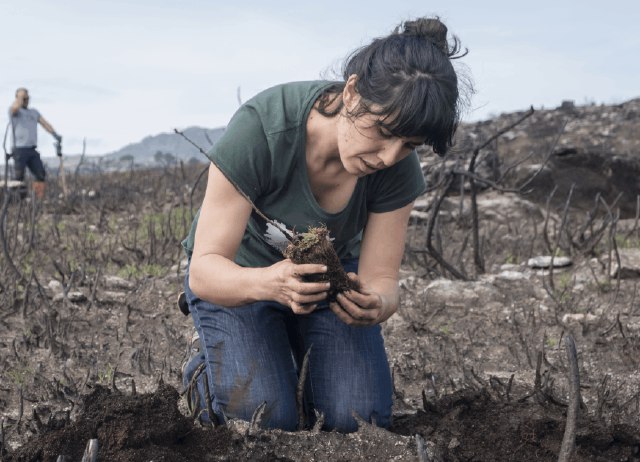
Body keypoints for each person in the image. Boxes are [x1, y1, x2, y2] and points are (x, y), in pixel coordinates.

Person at [180, 17, 468, 433]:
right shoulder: (264, 128)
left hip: (328, 282)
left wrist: (378, 304)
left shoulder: (396, 169)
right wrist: (270, 284)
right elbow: (205, 270)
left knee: (359, 420)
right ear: (351, 93)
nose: (389, 156)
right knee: (264, 418)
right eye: (383, 131)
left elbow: (382, 278)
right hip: (239, 277)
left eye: (410, 145)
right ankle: (205, 372)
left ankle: (296, 350)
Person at [8, 87, 62, 199]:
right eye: (23, 97)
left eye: (27, 97)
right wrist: (20, 98)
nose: (25, 100)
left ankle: (38, 199)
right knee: (18, 177)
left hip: (31, 149)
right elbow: (14, 108)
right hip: (19, 149)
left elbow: (45, 123)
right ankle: (18, 201)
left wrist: (54, 134)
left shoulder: (34, 112)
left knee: (40, 174)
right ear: (17, 98)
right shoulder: (14, 111)